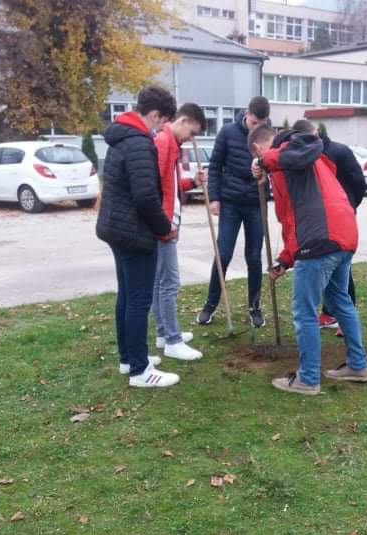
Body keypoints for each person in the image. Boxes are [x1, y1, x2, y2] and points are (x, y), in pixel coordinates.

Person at [249, 124, 367, 395]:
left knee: (304, 311)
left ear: (259, 148)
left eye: (258, 155)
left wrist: (262, 162)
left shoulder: (295, 145)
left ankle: (307, 379)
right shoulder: (294, 163)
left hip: (320, 240)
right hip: (342, 236)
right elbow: (291, 220)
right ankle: (358, 365)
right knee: (341, 300)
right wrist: (284, 260)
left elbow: (303, 146)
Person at [95, 86, 180, 388]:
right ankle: (140, 371)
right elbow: (145, 197)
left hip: (116, 228)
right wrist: (164, 227)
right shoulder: (139, 143)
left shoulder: (122, 137)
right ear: (154, 115)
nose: (163, 127)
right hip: (133, 233)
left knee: (127, 295)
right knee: (139, 300)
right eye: (163, 121)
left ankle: (129, 358)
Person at [196, 96, 271, 328]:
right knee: (223, 254)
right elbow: (215, 166)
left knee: (254, 258)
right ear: (247, 113)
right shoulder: (227, 132)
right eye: (254, 122)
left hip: (256, 204)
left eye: (261, 123)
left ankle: (255, 307)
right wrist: (215, 198)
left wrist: (266, 176)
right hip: (230, 203)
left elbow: (276, 167)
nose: (256, 127)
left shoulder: (269, 136)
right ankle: (210, 305)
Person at [291, 119, 366, 334]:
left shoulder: (338, 152)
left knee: (342, 271)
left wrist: (349, 205)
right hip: (320, 221)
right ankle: (328, 312)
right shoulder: (305, 155)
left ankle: (344, 317)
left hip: (341, 217)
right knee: (326, 268)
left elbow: (358, 182)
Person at [152, 103, 207, 361]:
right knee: (169, 283)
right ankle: (172, 341)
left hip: (167, 222)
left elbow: (169, 185)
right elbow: (153, 189)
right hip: (164, 227)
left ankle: (163, 333)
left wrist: (192, 182)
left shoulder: (171, 144)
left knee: (160, 282)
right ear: (183, 121)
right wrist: (164, 226)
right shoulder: (164, 142)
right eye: (192, 132)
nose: (191, 138)